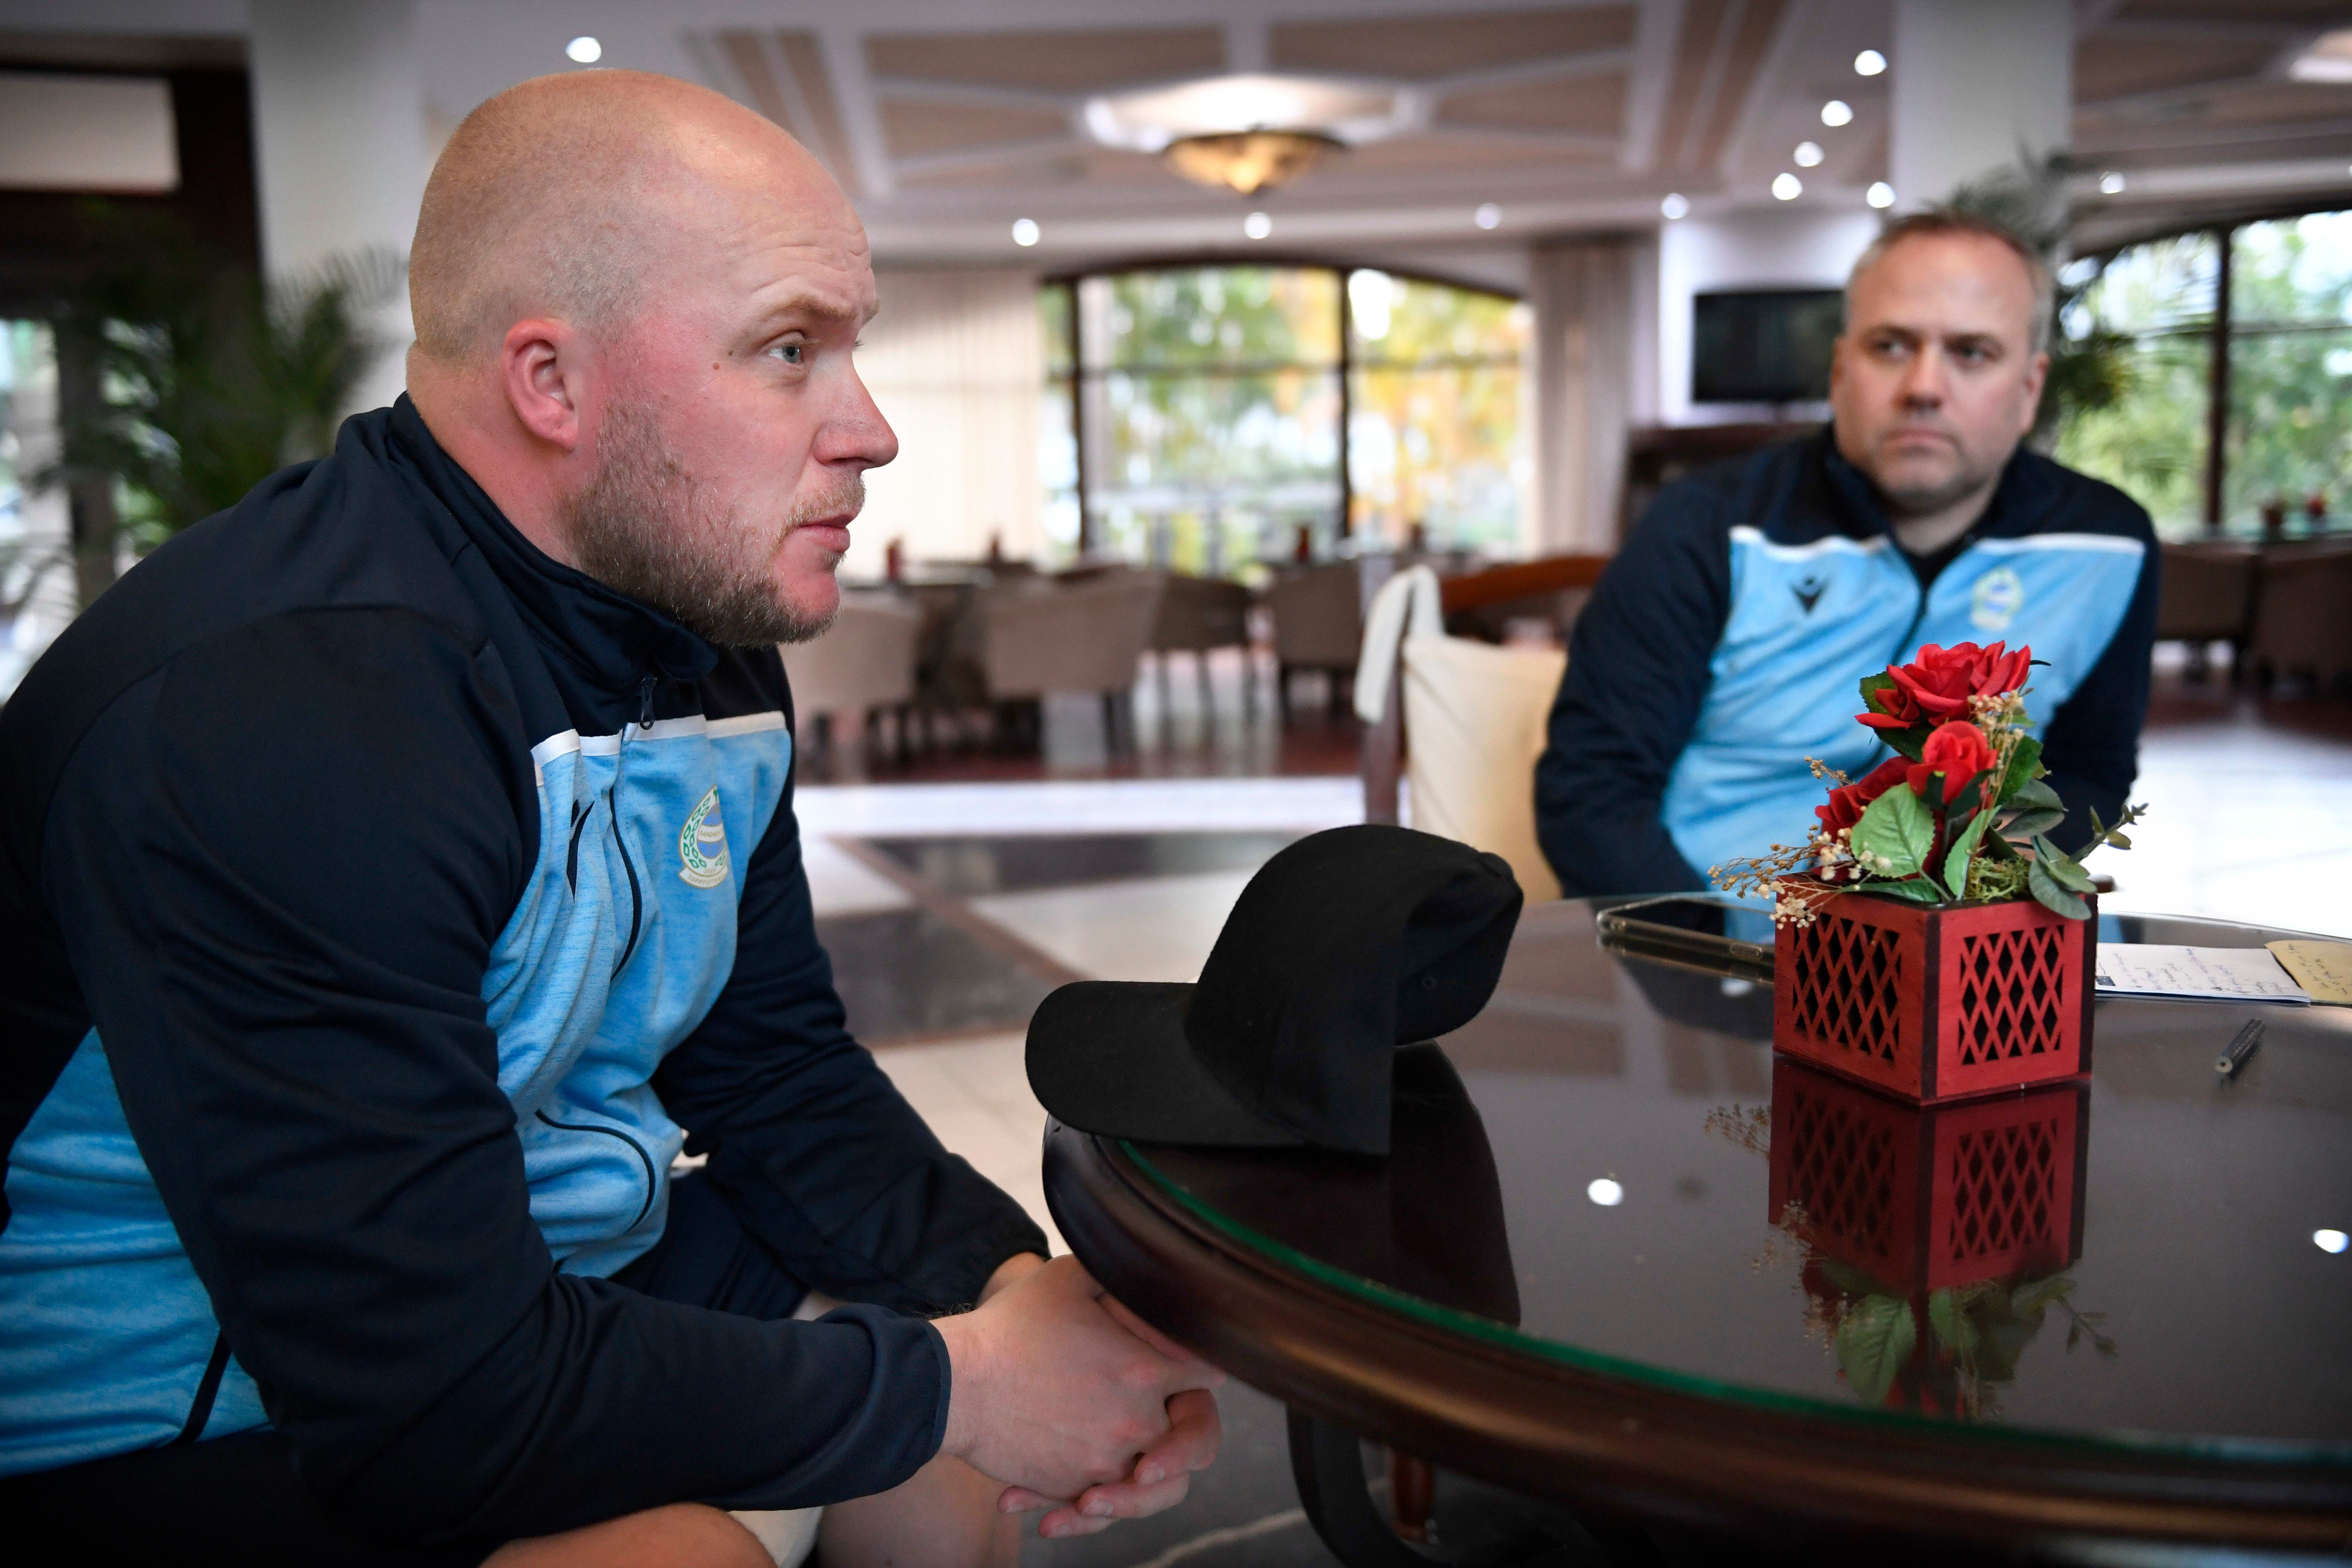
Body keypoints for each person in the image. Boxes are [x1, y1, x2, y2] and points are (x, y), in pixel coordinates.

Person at [0, 71, 1221, 1567]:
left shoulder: (696, 622)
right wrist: (966, 1384)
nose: (873, 430)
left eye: (852, 348)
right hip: (147, 1408)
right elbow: (431, 1411)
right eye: (789, 349)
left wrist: (1017, 1302)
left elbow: (771, 1072)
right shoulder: (281, 709)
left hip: (539, 1260)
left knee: (942, 1470)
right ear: (551, 383)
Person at [1535, 210, 2157, 898]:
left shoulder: (2108, 543)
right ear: (1840, 370)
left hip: (1949, 941)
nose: (1924, 387)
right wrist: (1705, 947)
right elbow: (1591, 794)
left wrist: (1971, 911)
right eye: (1890, 346)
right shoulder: (1706, 524)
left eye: (1972, 353)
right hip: (1714, 931)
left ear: (2029, 389)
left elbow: (2089, 773)